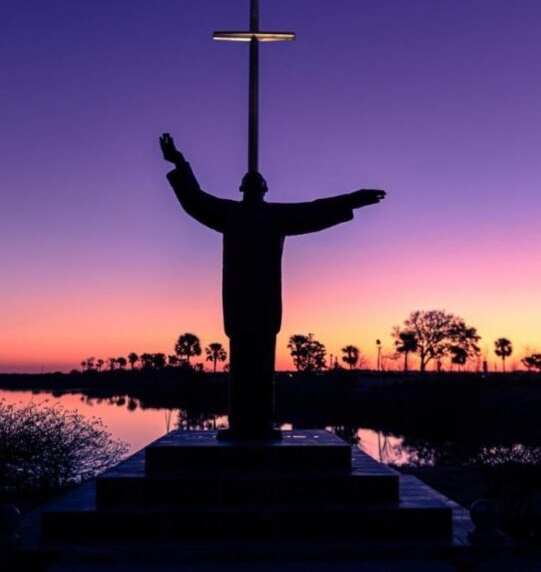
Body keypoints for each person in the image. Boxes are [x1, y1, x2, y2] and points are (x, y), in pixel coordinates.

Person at [160, 133, 385, 439]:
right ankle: (243, 425)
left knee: (261, 368)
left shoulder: (266, 216)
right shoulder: (233, 214)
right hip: (243, 304)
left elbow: (315, 211)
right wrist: (179, 163)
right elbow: (195, 200)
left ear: (260, 192)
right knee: (244, 367)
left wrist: (352, 199)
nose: (253, 194)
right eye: (251, 190)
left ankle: (260, 424)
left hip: (260, 305)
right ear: (248, 192)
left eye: (256, 190)